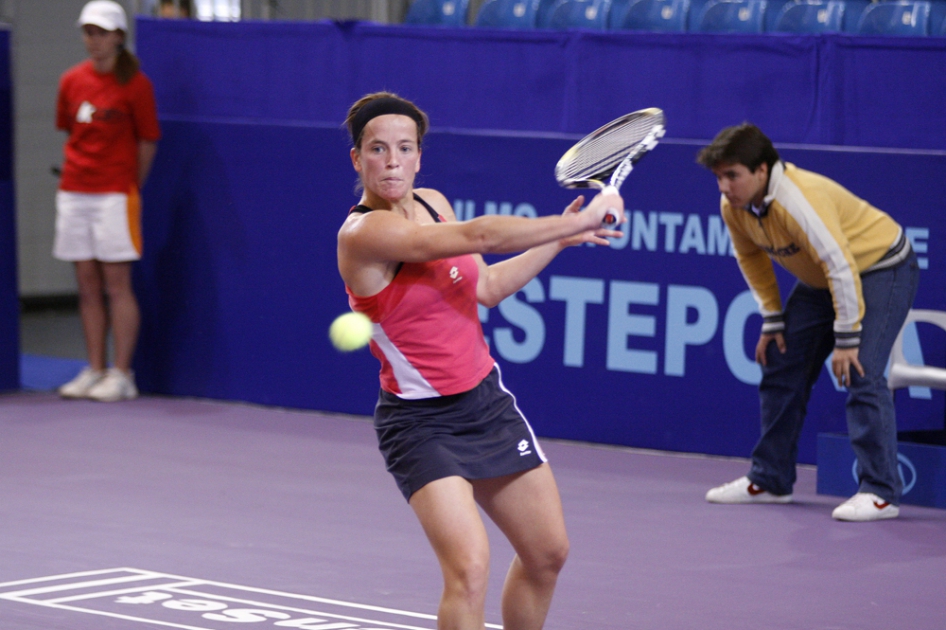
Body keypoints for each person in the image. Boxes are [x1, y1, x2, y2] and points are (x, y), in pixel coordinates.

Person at [337, 92, 625, 629]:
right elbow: (481, 236)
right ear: (358, 159)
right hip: (420, 425)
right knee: (469, 569)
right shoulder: (364, 233)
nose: (393, 160)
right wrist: (571, 220)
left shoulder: (434, 203)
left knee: (547, 553)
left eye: (404, 148)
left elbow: (487, 285)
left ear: (420, 156)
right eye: (378, 149)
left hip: (485, 404)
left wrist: (564, 242)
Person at [696, 123, 919, 522]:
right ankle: (770, 480)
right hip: (823, 278)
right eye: (718, 177)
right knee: (782, 361)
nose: (724, 187)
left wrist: (847, 339)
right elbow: (751, 259)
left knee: (861, 370)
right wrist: (772, 319)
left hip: (882, 268)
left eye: (733, 176)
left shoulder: (800, 199)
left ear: (762, 170)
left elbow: (840, 264)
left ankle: (881, 491)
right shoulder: (734, 207)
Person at [54, 0, 161, 401]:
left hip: (115, 195)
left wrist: (128, 184)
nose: (93, 40)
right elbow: (70, 131)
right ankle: (94, 368)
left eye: (101, 32)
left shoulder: (136, 85)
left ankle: (121, 373)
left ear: (118, 36)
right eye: (88, 32)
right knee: (86, 283)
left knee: (117, 284)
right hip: (73, 192)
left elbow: (148, 140)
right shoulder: (70, 81)